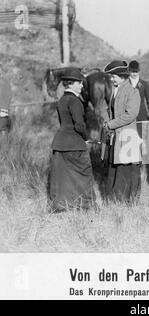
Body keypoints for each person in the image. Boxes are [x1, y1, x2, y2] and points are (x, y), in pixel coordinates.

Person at [49, 67, 96, 212]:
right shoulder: (75, 101)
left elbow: (64, 123)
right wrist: (86, 138)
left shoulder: (62, 100)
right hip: (75, 144)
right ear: (71, 83)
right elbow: (79, 125)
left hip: (60, 143)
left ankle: (62, 206)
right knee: (84, 174)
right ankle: (86, 206)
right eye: (80, 83)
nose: (82, 85)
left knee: (63, 178)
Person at [103, 60, 142, 203]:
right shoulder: (116, 90)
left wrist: (110, 124)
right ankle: (115, 199)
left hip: (127, 136)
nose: (111, 79)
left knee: (127, 169)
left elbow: (130, 115)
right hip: (117, 136)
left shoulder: (133, 91)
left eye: (113, 76)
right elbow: (111, 110)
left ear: (121, 76)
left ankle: (127, 200)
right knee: (117, 167)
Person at [129, 60, 149, 178]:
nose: (134, 74)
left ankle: (144, 170)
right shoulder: (125, 83)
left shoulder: (144, 84)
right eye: (132, 71)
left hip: (142, 116)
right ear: (129, 71)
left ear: (139, 71)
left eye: (136, 72)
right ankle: (131, 169)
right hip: (128, 117)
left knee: (144, 143)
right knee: (130, 142)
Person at [0, 68, 12, 140]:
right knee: (4, 131)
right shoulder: (6, 82)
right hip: (5, 112)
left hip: (2, 112)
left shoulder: (3, 82)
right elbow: (10, 96)